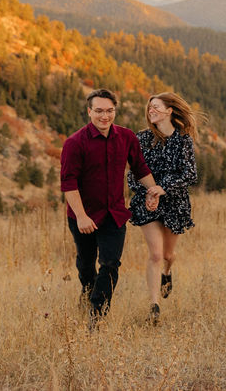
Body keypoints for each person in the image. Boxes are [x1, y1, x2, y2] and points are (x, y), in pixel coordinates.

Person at [60, 88, 165, 329]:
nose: (104, 116)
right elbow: (68, 184)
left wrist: (153, 191)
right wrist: (82, 216)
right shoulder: (74, 143)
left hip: (114, 215)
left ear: (115, 111)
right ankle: (87, 292)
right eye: (99, 111)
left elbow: (140, 169)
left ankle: (96, 317)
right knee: (86, 265)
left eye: (109, 111)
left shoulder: (127, 138)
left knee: (110, 264)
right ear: (89, 112)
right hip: (83, 216)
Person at [127, 92, 206, 325]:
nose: (151, 110)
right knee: (155, 254)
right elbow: (133, 175)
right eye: (149, 107)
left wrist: (163, 189)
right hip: (147, 202)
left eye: (156, 107)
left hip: (175, 202)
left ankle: (167, 273)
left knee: (168, 255)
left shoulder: (183, 140)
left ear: (170, 111)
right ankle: (154, 306)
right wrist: (149, 193)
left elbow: (190, 174)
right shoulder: (141, 139)